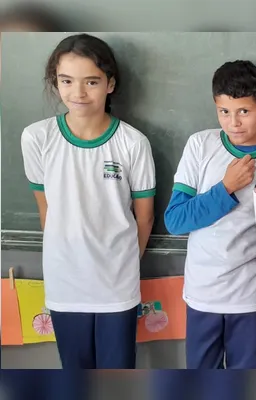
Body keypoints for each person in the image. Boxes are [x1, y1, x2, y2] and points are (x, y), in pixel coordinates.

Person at [20, 33, 156, 369]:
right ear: (55, 82)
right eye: (66, 81)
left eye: (91, 81)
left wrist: (120, 264)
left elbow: (145, 218)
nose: (78, 93)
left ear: (110, 84)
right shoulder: (37, 138)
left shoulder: (132, 143)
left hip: (117, 285)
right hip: (65, 281)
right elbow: (45, 208)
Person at [164, 60, 256, 369]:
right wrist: (225, 188)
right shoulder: (200, 145)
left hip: (252, 294)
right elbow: (175, 220)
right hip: (203, 293)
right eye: (224, 111)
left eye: (244, 112)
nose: (234, 123)